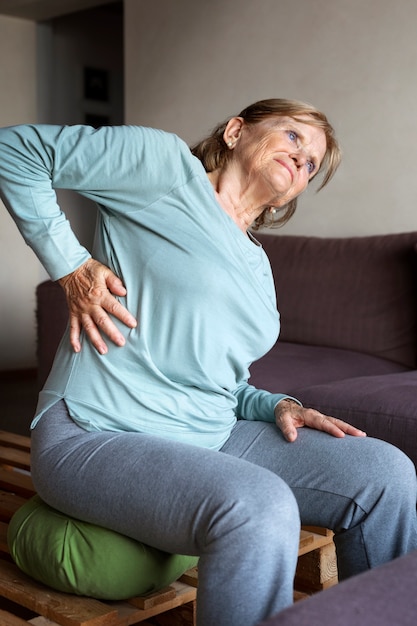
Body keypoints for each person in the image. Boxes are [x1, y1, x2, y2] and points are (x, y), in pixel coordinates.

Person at [1, 98, 416, 626]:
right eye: (292, 137)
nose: (301, 160)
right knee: (261, 505)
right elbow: (13, 149)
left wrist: (276, 404)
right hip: (96, 432)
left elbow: (221, 378)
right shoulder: (165, 168)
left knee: (387, 474)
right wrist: (72, 267)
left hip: (212, 432)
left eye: (312, 163)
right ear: (236, 131)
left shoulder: (258, 265)